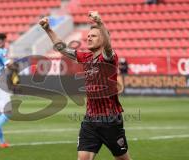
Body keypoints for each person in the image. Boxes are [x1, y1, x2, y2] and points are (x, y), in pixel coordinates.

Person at [39, 11, 131, 160]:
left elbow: (108, 46)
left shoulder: (108, 57)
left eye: (93, 36)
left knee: (122, 159)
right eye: (88, 36)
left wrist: (100, 24)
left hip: (110, 120)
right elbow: (62, 48)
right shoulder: (85, 57)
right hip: (90, 120)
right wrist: (48, 29)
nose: (89, 38)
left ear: (103, 39)